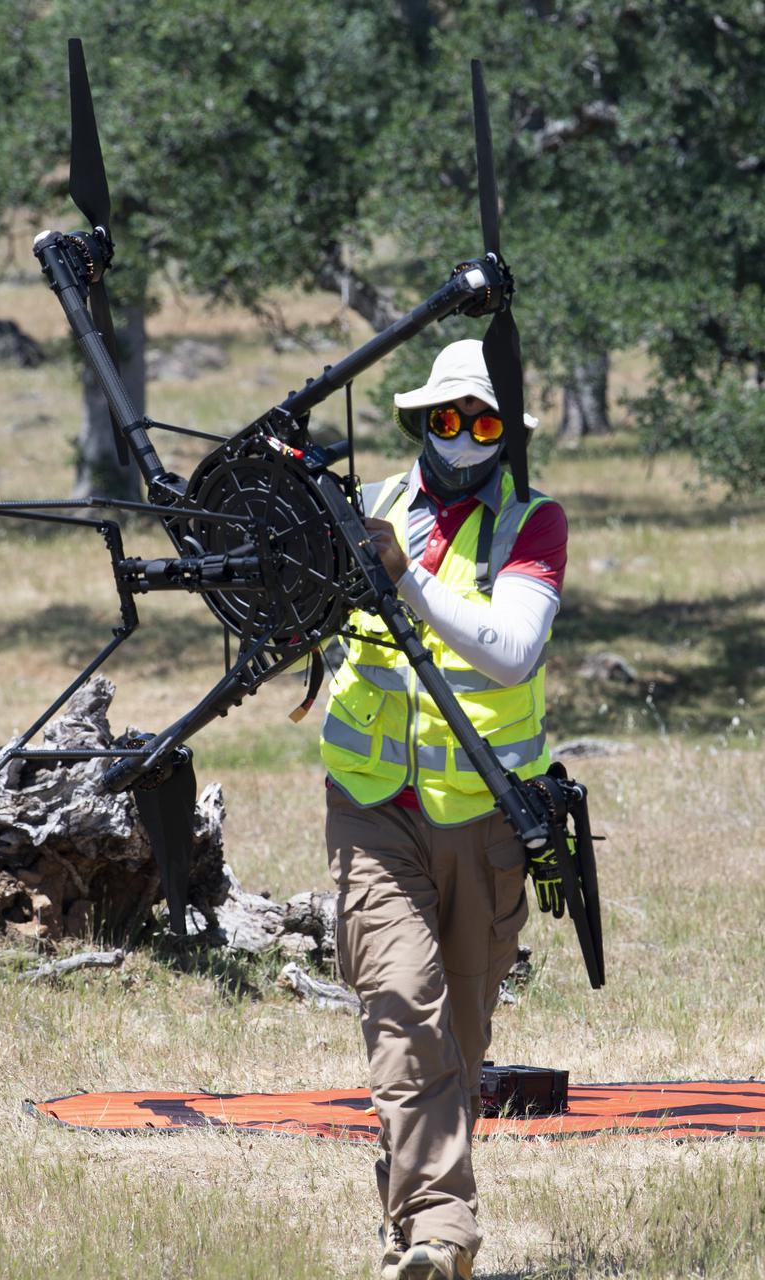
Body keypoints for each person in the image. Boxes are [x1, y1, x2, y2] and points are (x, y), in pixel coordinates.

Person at [319, 339, 567, 1280]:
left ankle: (414, 1220)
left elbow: (511, 651)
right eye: (446, 419)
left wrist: (409, 581)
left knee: (456, 1036)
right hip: (372, 806)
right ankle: (442, 1232)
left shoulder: (531, 525)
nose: (463, 438)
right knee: (400, 1003)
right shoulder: (370, 509)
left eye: (483, 422)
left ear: (507, 436)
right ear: (420, 423)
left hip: (487, 815)